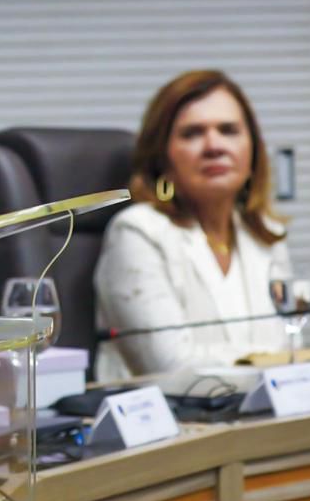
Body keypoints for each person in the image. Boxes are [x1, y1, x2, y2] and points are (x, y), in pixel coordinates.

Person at [94, 70, 291, 381]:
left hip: (263, 410)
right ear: (162, 156)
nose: (214, 146)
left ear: (252, 149)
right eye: (192, 133)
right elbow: (170, 367)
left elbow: (292, 345)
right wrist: (272, 362)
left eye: (228, 130)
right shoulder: (137, 232)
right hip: (171, 411)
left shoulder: (266, 234)